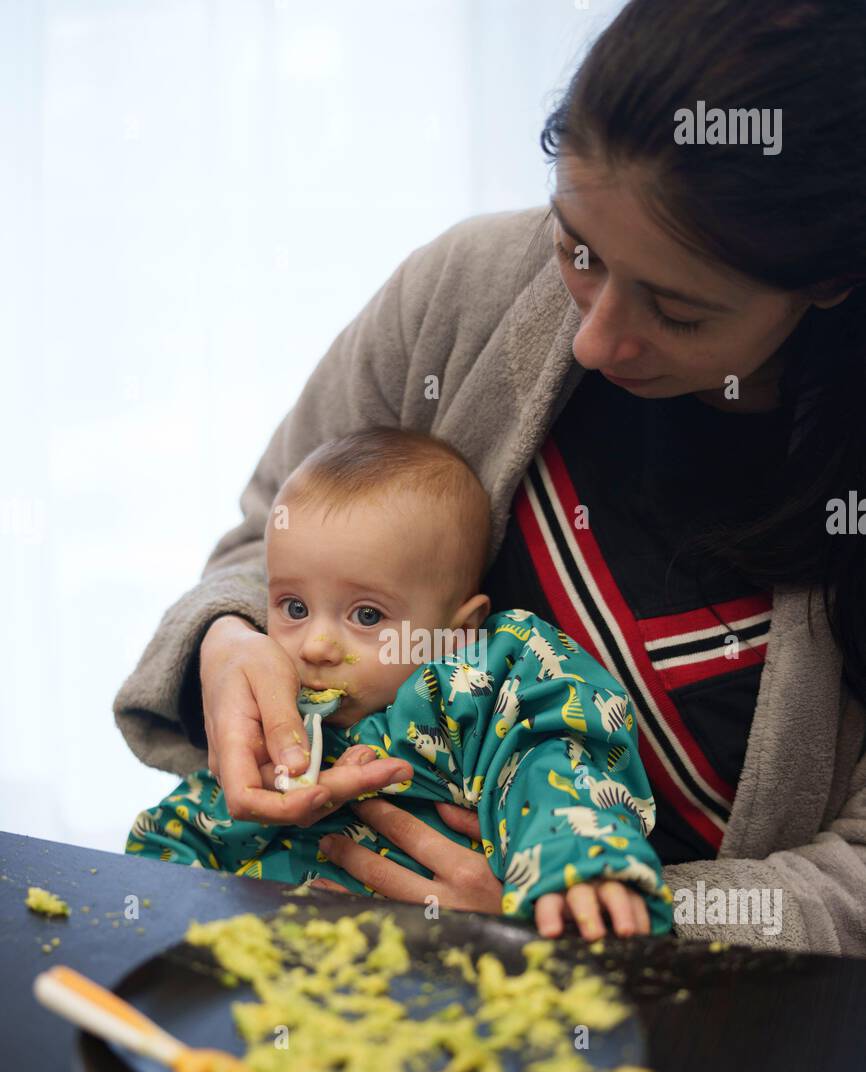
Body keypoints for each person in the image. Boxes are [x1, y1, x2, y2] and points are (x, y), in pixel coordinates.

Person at [114, 0, 866, 954]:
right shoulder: (460, 292)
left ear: (831, 277)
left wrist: (588, 912)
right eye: (577, 252)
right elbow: (263, 541)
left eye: (676, 312)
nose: (593, 339)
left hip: (705, 1024)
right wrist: (228, 643)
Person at [124, 427, 673, 939]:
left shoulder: (480, 685)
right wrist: (256, 805)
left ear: (457, 632)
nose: (314, 646)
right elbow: (172, 838)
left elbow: (552, 758)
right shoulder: (273, 723)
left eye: (366, 616)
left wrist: (575, 862)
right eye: (293, 606)